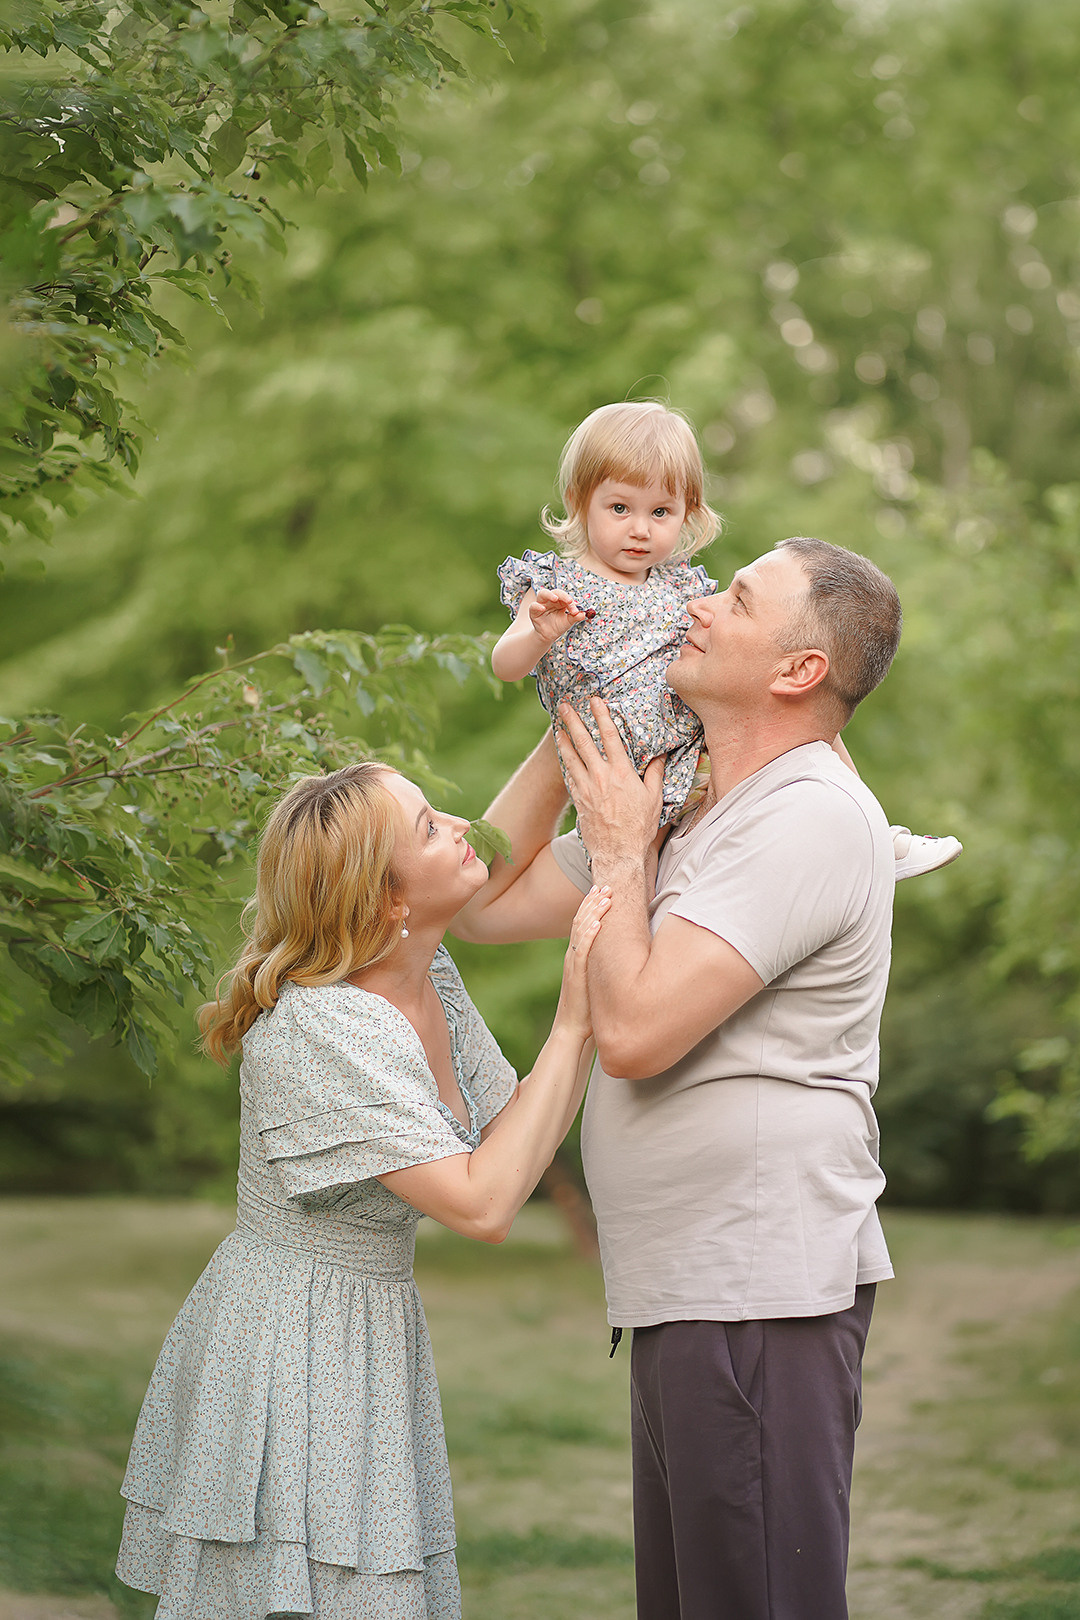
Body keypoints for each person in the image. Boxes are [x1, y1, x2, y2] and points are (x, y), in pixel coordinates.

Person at [453, 536, 912, 1620]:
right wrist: (573, 712)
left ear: (798, 670)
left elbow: (640, 1032)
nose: (698, 603)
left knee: (753, 1601)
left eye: (739, 599)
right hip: (691, 1289)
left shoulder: (803, 814)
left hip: (757, 1285)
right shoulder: (684, 803)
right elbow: (480, 900)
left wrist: (618, 859)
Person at [114, 761, 609, 1620]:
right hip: (293, 1343)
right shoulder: (323, 1027)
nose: (459, 825)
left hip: (364, 1326)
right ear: (385, 901)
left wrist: (568, 716)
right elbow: (484, 1205)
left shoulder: (427, 978)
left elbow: (513, 1139)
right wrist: (574, 1020)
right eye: (426, 826)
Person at [492, 399, 960, 876]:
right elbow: (505, 665)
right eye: (619, 508)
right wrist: (538, 634)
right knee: (642, 874)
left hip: (696, 736)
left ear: (687, 512)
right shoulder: (555, 585)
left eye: (660, 512)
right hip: (627, 765)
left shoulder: (675, 584)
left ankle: (872, 833)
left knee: (812, 727)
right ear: (578, 499)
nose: (639, 529)